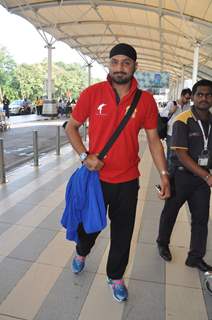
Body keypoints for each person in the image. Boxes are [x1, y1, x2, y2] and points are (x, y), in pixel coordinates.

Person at [64, 43, 170, 302]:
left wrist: (164, 174)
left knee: (123, 232)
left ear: (135, 66)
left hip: (128, 180)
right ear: (109, 65)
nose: (120, 67)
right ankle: (81, 251)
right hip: (96, 180)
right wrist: (84, 156)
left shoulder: (144, 101)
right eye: (115, 62)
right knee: (89, 228)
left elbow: (154, 140)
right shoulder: (92, 93)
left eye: (126, 62)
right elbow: (72, 127)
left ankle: (116, 276)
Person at [157, 79, 212, 272]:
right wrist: (206, 177)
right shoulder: (183, 119)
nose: (204, 98)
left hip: (202, 181)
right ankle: (162, 243)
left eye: (208, 94)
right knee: (170, 212)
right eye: (200, 94)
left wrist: (206, 177)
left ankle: (195, 257)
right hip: (181, 176)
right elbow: (181, 154)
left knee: (201, 219)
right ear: (193, 97)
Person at [160, 89, 192, 175]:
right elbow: (161, 113)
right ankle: (168, 175)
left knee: (179, 155)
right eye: (186, 98)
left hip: (182, 134)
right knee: (170, 155)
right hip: (171, 133)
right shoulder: (172, 104)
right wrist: (171, 111)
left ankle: (174, 174)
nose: (188, 100)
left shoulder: (187, 105)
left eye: (189, 98)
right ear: (182, 95)